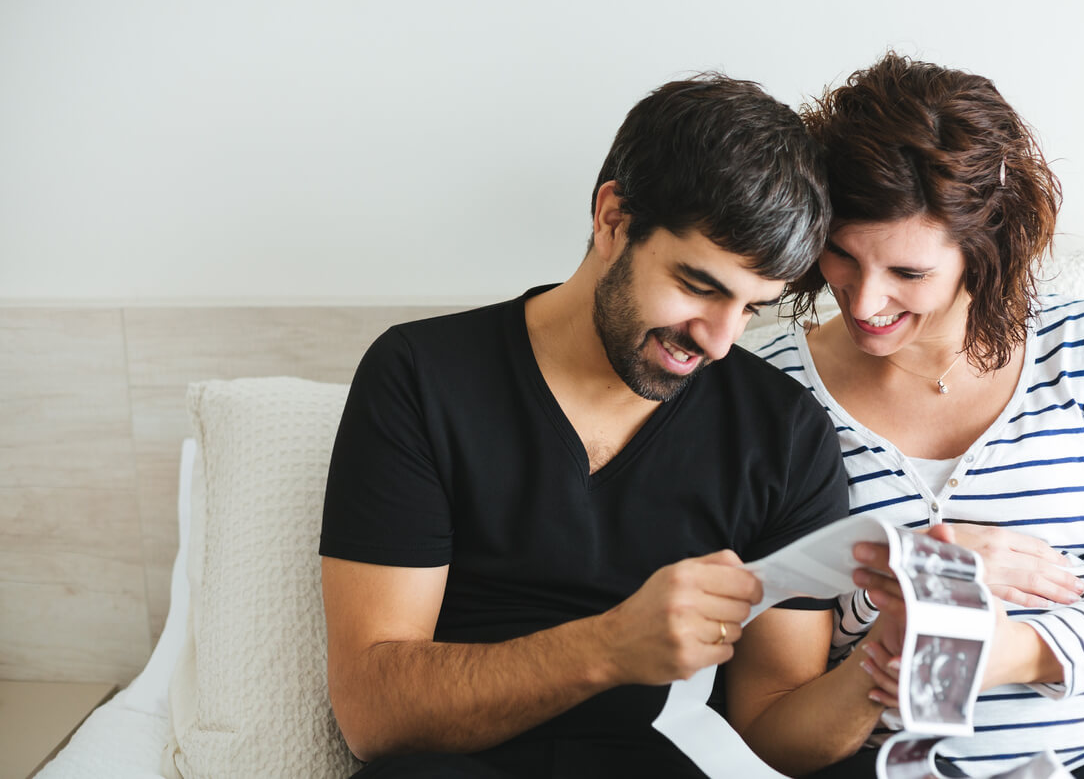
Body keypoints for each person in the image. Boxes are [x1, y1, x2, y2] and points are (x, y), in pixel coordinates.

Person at [319, 74, 909, 778]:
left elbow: (771, 734)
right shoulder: (421, 378)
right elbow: (372, 717)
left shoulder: (782, 433)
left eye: (752, 308)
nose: (719, 341)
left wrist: (885, 665)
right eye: (699, 286)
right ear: (612, 219)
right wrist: (608, 648)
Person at [756, 54, 1084, 777]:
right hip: (884, 753)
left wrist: (1012, 654)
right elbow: (779, 683)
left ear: (986, 251)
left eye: (908, 273)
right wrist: (921, 578)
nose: (865, 301)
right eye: (843, 256)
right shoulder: (773, 390)